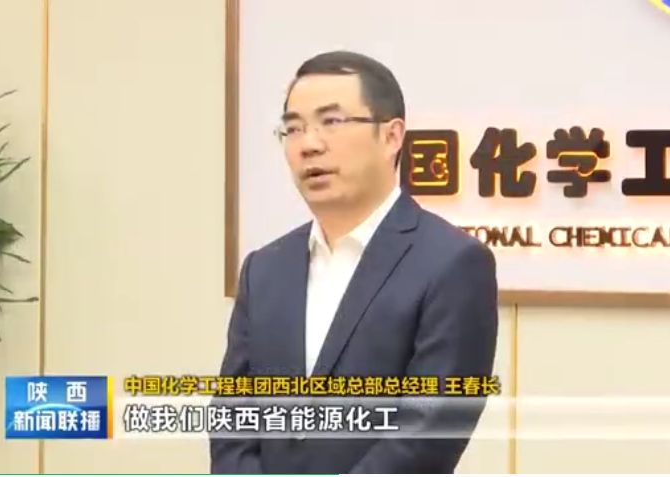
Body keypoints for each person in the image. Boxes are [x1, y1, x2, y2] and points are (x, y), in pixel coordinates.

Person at [210, 50, 498, 474]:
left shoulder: (453, 263)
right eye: (293, 128)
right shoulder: (265, 269)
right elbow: (233, 417)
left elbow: (430, 430)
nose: (309, 144)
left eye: (332, 122)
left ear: (392, 137)